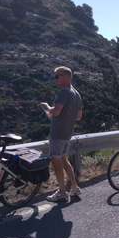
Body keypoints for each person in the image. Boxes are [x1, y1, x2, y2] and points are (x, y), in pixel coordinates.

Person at [40, 66, 83, 202]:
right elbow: (78, 117)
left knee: (56, 161)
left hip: (58, 134)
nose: (55, 80)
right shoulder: (77, 94)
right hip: (67, 134)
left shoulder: (64, 92)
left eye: (57, 76)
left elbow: (56, 112)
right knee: (64, 160)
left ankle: (62, 192)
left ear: (66, 76)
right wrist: (51, 113)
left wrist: (47, 106)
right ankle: (75, 187)